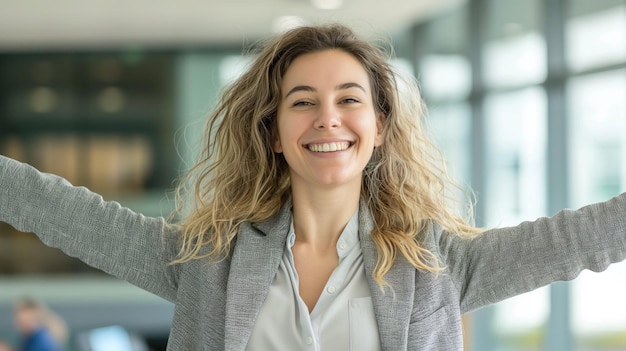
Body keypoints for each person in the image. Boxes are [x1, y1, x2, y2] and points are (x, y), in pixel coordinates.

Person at [0, 24, 624, 351]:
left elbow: (582, 238)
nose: (327, 118)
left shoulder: (438, 264)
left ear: (378, 127)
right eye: (303, 102)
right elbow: (57, 210)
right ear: (273, 132)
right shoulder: (205, 261)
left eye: (348, 99)